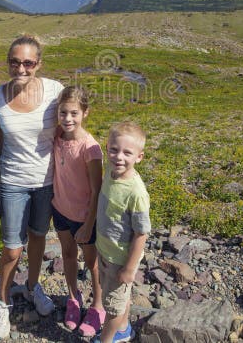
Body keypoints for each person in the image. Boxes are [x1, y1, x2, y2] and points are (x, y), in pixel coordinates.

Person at [0, 34, 64, 340]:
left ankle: (33, 286)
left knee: (38, 239)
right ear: (8, 62)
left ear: (38, 64)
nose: (21, 68)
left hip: (46, 181)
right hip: (12, 182)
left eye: (28, 63)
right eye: (15, 62)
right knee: (11, 248)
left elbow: (69, 129)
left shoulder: (55, 91)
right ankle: (2, 301)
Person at [51, 86, 105, 337]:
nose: (68, 118)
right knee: (68, 255)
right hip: (60, 210)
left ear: (85, 113)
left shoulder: (90, 148)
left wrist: (88, 222)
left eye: (74, 113)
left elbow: (97, 190)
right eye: (63, 112)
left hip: (85, 216)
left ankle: (98, 305)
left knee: (92, 262)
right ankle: (74, 297)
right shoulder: (57, 137)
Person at [91, 121, 151, 343]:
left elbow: (141, 234)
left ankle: (106, 339)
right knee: (116, 297)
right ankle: (124, 330)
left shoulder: (136, 192)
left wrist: (129, 269)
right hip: (106, 250)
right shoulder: (110, 174)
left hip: (121, 258)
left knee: (113, 308)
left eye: (127, 152)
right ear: (107, 148)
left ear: (139, 157)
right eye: (114, 150)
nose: (119, 157)